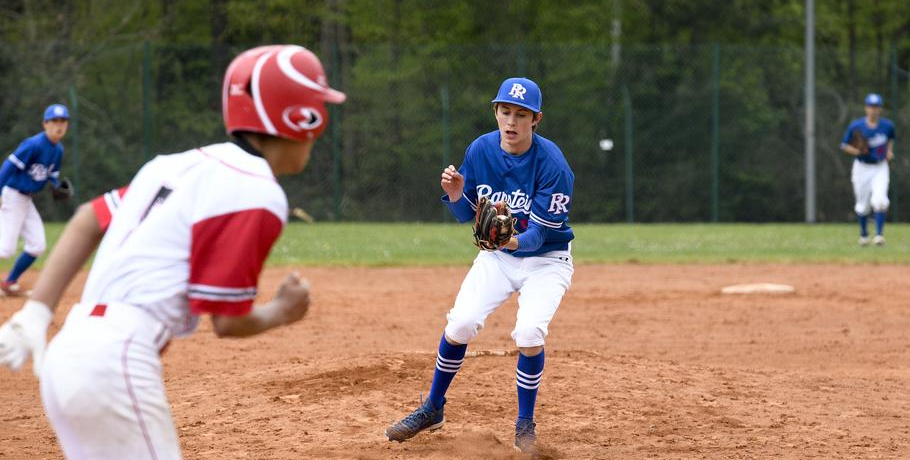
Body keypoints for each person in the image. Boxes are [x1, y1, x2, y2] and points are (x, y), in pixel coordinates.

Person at [0, 45, 346, 459]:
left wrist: (36, 315)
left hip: (69, 355)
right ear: (301, 116)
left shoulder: (175, 164)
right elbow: (226, 322)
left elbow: (87, 219)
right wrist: (283, 312)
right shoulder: (259, 192)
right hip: (118, 363)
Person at [385, 77, 575, 455]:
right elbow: (466, 214)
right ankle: (432, 408)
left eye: (521, 114)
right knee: (460, 323)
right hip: (498, 258)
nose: (511, 121)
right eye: (505, 111)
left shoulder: (553, 164)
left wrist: (513, 240)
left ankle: (524, 425)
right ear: (496, 112)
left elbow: (541, 235)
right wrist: (456, 194)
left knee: (529, 333)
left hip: (546, 260)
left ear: (536, 119)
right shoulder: (481, 149)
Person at [0, 103, 71, 296]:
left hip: (26, 200)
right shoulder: (34, 144)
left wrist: (56, 185)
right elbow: (8, 166)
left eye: (63, 121)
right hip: (12, 196)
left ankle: (9, 282)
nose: (59, 125)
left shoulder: (58, 150)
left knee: (37, 245)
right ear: (45, 124)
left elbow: (51, 175)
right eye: (54, 121)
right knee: (5, 250)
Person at [840, 92, 895, 246]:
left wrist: (889, 152)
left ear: (880, 109)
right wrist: (857, 151)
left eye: (876, 106)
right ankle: (864, 235)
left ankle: (879, 235)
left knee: (880, 200)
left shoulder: (887, 126)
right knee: (862, 205)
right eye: (871, 106)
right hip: (862, 167)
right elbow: (844, 145)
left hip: (880, 167)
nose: (874, 110)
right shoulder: (856, 126)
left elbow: (890, 140)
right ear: (866, 108)